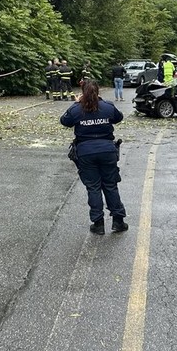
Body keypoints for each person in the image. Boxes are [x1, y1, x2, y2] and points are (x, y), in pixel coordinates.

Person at [60, 79, 128, 235]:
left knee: (93, 187)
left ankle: (98, 224)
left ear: (83, 92)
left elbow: (64, 121)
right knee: (110, 185)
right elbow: (118, 117)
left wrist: (77, 103)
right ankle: (118, 221)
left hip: (85, 152)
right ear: (98, 91)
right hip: (107, 151)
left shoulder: (77, 109)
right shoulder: (107, 106)